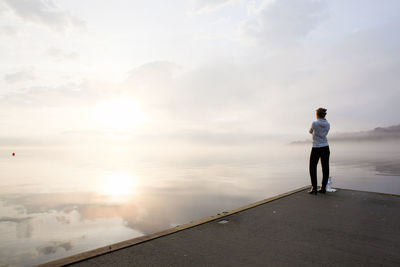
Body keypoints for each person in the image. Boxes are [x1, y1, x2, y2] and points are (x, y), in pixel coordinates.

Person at [308, 108, 330, 195]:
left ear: (317, 114)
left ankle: (314, 188)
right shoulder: (328, 124)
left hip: (316, 147)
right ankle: (323, 188)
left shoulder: (314, 123)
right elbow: (324, 133)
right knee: (325, 168)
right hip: (325, 147)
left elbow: (310, 132)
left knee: (312, 167)